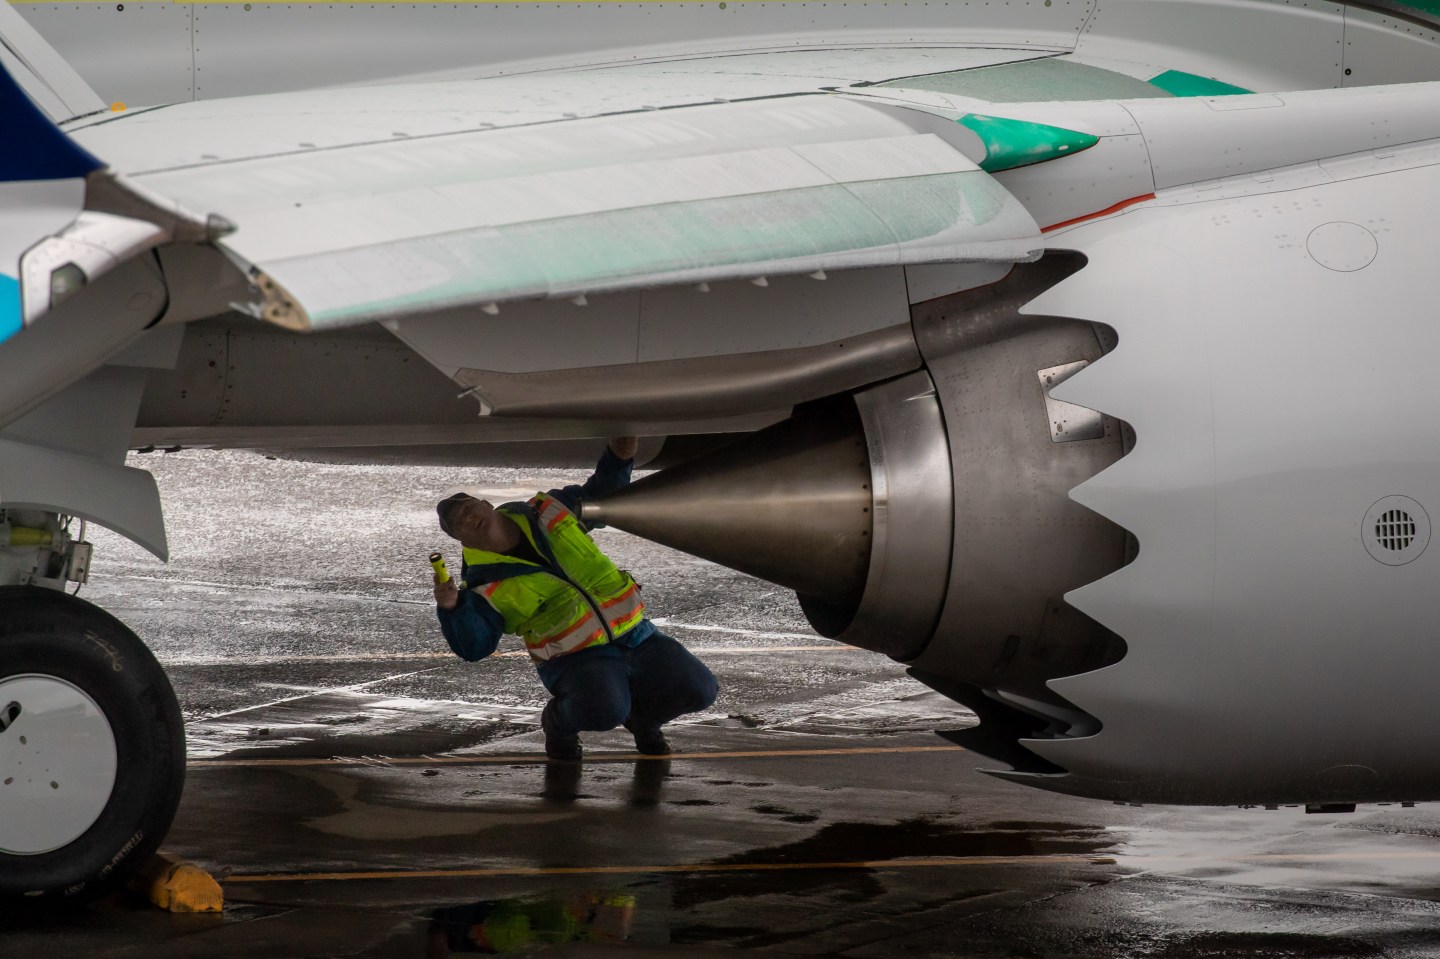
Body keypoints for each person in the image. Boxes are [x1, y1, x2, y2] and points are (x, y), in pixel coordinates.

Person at [432, 437, 719, 761]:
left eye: (469, 509)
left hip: (637, 636)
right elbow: (475, 647)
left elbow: (601, 496)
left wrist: (620, 456)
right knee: (605, 709)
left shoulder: (548, 511)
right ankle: (558, 725)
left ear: (486, 503)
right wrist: (451, 608)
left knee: (701, 689)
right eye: (460, 524)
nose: (469, 518)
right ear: (460, 539)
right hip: (575, 659)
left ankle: (644, 723)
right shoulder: (482, 583)